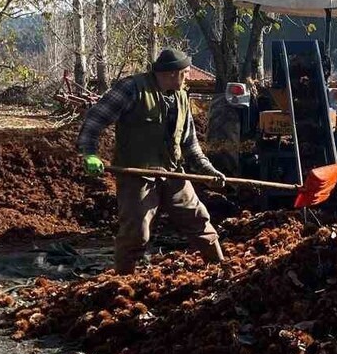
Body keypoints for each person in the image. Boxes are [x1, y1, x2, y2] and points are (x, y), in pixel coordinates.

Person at [78, 48, 226, 273]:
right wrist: (89, 153)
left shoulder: (182, 97)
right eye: (185, 73)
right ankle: (123, 282)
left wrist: (208, 171)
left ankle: (222, 269)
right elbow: (94, 119)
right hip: (137, 175)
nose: (188, 78)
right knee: (137, 233)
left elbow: (190, 144)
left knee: (199, 221)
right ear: (170, 73)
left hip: (173, 173)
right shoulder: (131, 89)